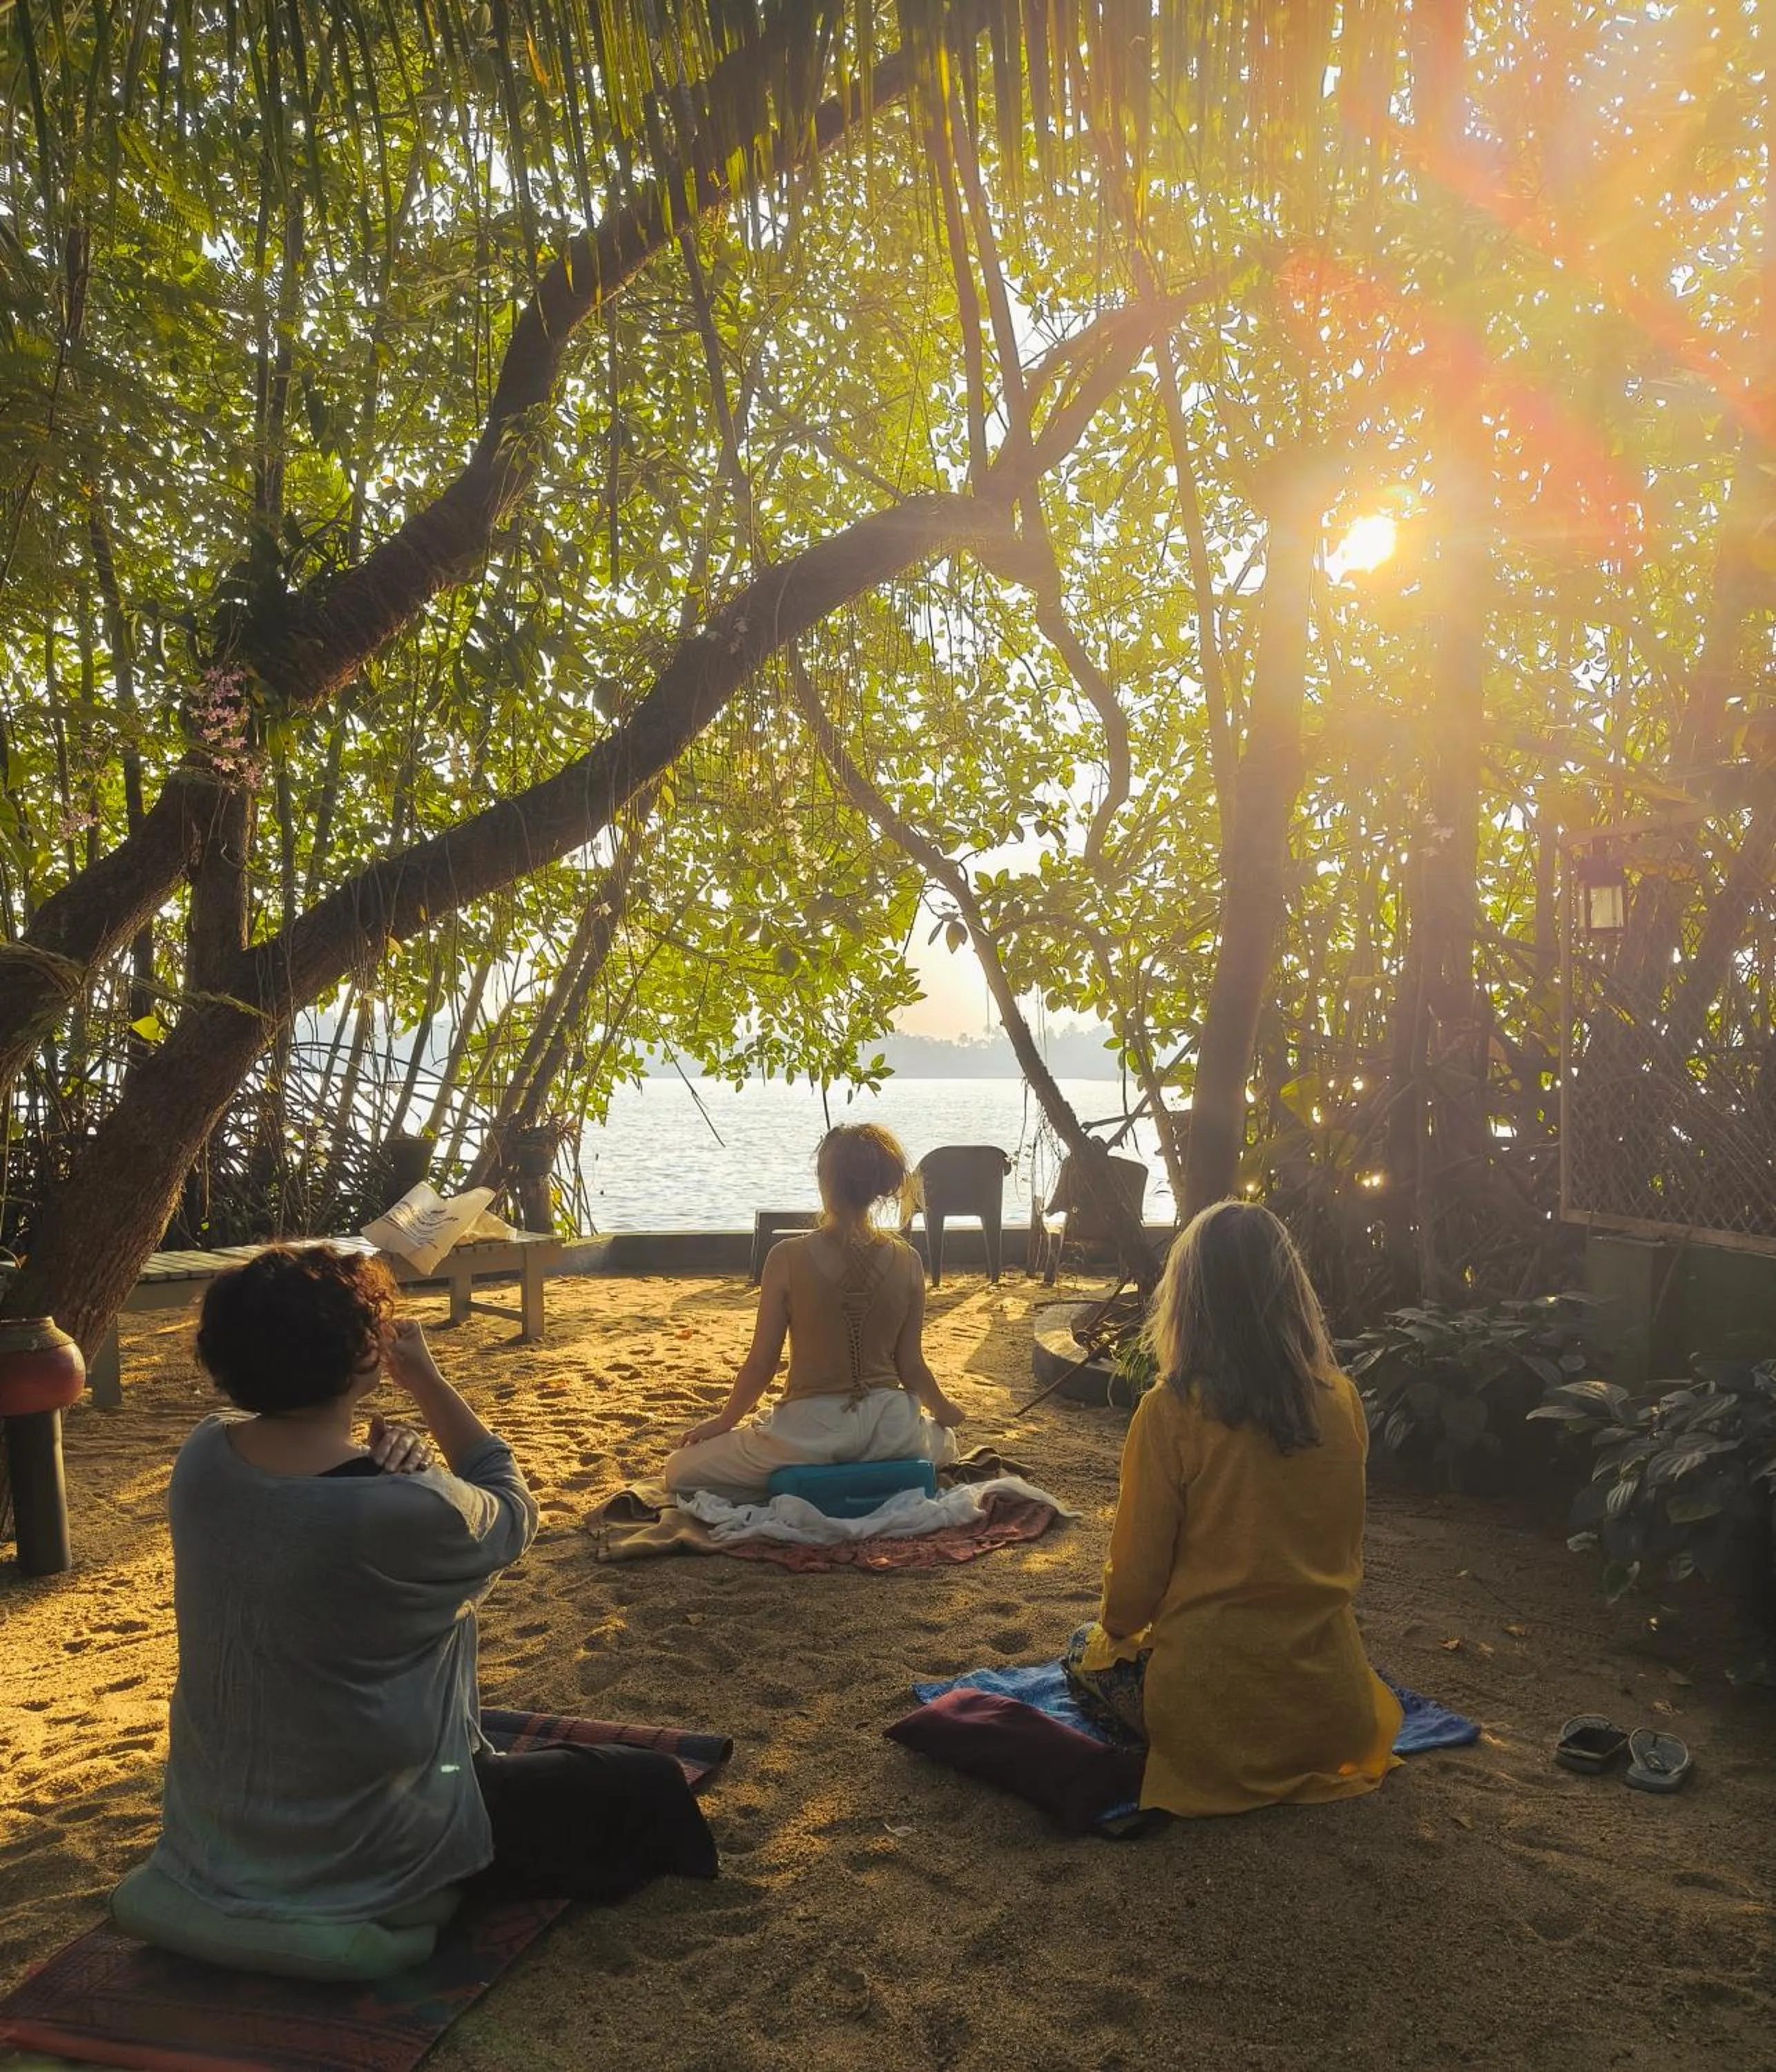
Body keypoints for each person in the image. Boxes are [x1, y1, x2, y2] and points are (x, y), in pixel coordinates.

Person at [148, 1243, 715, 1932]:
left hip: (218, 1825)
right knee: (649, 1785)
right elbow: (510, 1504)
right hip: (370, 1844)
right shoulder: (408, 1508)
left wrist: (403, 1473)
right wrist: (425, 1380)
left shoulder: (202, 1459)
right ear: (364, 1356)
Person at [1062, 1200, 1402, 1819]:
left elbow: (1130, 1602)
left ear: (1187, 1302)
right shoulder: (1341, 1400)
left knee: (1082, 1645)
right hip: (1334, 1712)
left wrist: (1114, 1636)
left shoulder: (1170, 1413)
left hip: (1211, 1717)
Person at [664, 1124, 965, 1502]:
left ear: (826, 1180)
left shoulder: (786, 1258)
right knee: (946, 1442)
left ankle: (812, 1477)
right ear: (878, 1189)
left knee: (679, 1470)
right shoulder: (909, 1260)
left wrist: (726, 1421)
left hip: (809, 1433)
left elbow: (762, 1364)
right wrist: (944, 1411)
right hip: (890, 1429)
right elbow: (912, 1366)